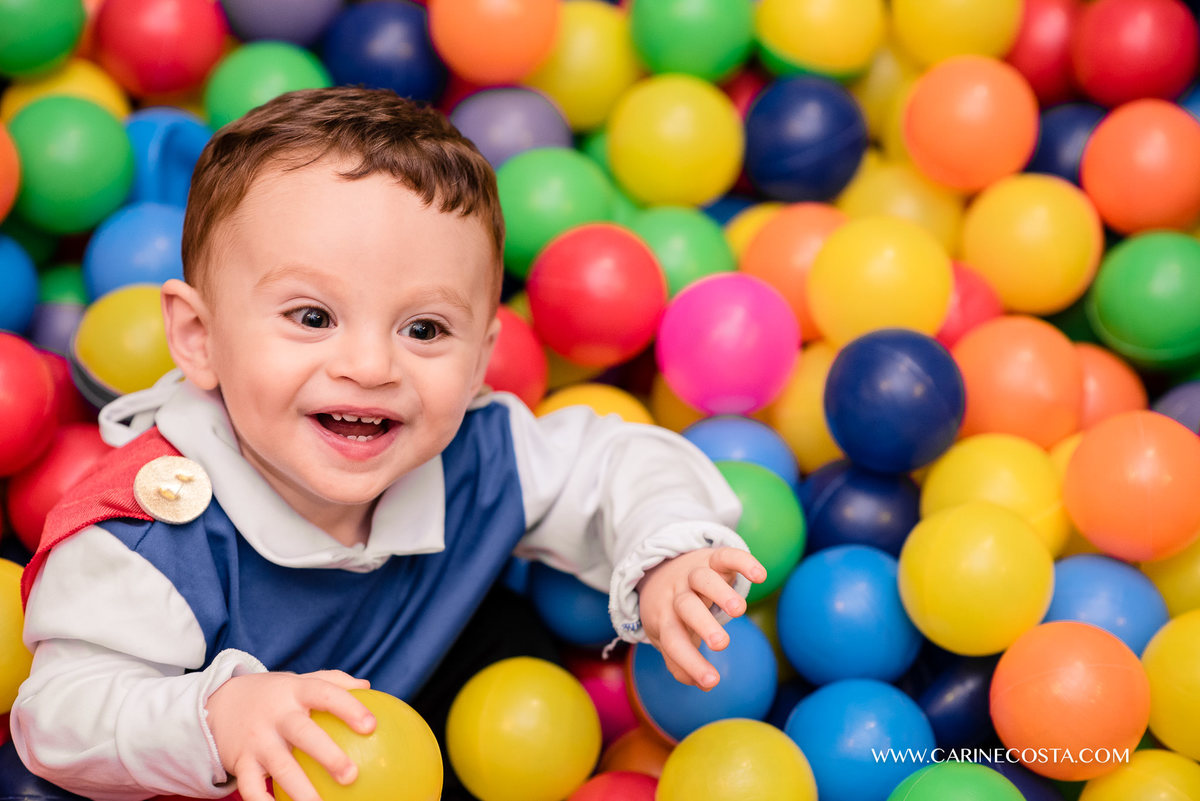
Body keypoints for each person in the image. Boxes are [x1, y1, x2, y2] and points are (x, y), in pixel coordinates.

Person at [10, 87, 764, 801]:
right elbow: (58, 718)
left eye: (424, 329)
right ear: (199, 337)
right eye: (312, 317)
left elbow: (613, 463)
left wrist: (666, 550)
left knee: (511, 632)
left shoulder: (477, 457)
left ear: (479, 361)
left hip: (421, 737)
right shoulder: (147, 537)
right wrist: (217, 716)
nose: (370, 367)